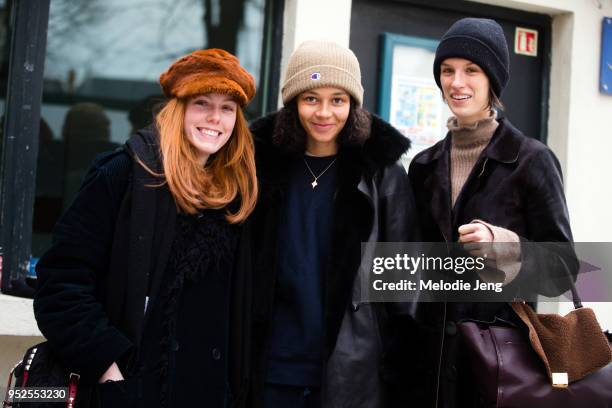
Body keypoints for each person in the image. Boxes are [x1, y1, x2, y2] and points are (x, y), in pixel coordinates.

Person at [34, 49, 258, 408]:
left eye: (228, 108)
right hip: (132, 390)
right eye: (202, 103)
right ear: (178, 107)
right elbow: (60, 283)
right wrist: (110, 368)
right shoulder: (125, 174)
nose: (215, 118)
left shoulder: (237, 197)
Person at [407, 18, 577, 407]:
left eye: (471, 70)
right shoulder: (423, 166)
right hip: (428, 373)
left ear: (493, 81)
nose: (456, 82)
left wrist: (505, 246)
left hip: (498, 370)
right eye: (447, 71)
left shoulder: (531, 160)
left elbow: (563, 268)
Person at [247, 40, 420, 408]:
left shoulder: (382, 172)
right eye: (311, 98)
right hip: (271, 370)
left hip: (352, 373)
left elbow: (405, 285)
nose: (324, 113)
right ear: (293, 102)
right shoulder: (259, 166)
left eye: (337, 100)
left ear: (352, 105)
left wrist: (400, 376)